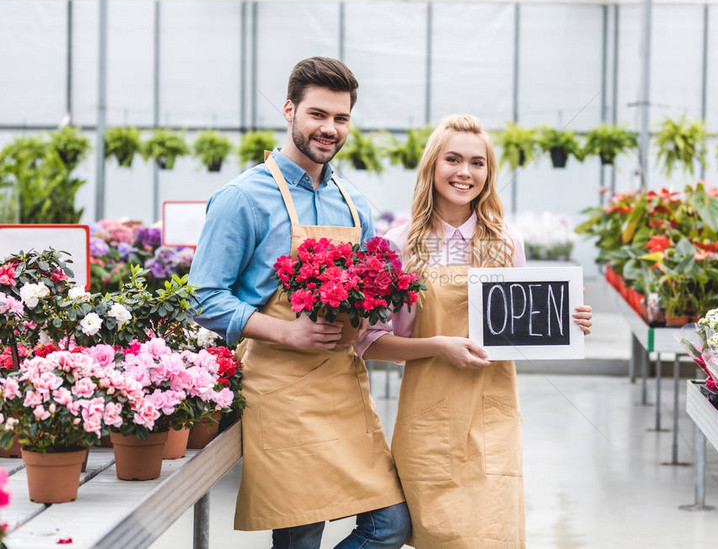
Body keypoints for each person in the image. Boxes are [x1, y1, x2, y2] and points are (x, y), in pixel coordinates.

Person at [189, 57, 410, 549]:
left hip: (342, 384)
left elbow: (375, 299)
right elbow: (203, 298)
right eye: (317, 114)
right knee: (302, 533)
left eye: (341, 118)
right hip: (279, 389)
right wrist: (287, 331)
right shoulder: (243, 197)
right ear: (289, 110)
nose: (329, 129)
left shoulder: (354, 203)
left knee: (392, 523)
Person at [353, 114, 593, 548]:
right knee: (439, 535)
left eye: (477, 163)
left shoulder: (506, 243)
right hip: (428, 411)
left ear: (488, 172)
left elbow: (520, 330)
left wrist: (565, 320)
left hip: (493, 412)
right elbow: (369, 343)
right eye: (453, 159)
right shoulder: (398, 244)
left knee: (492, 534)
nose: (465, 172)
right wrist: (438, 347)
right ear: (432, 166)